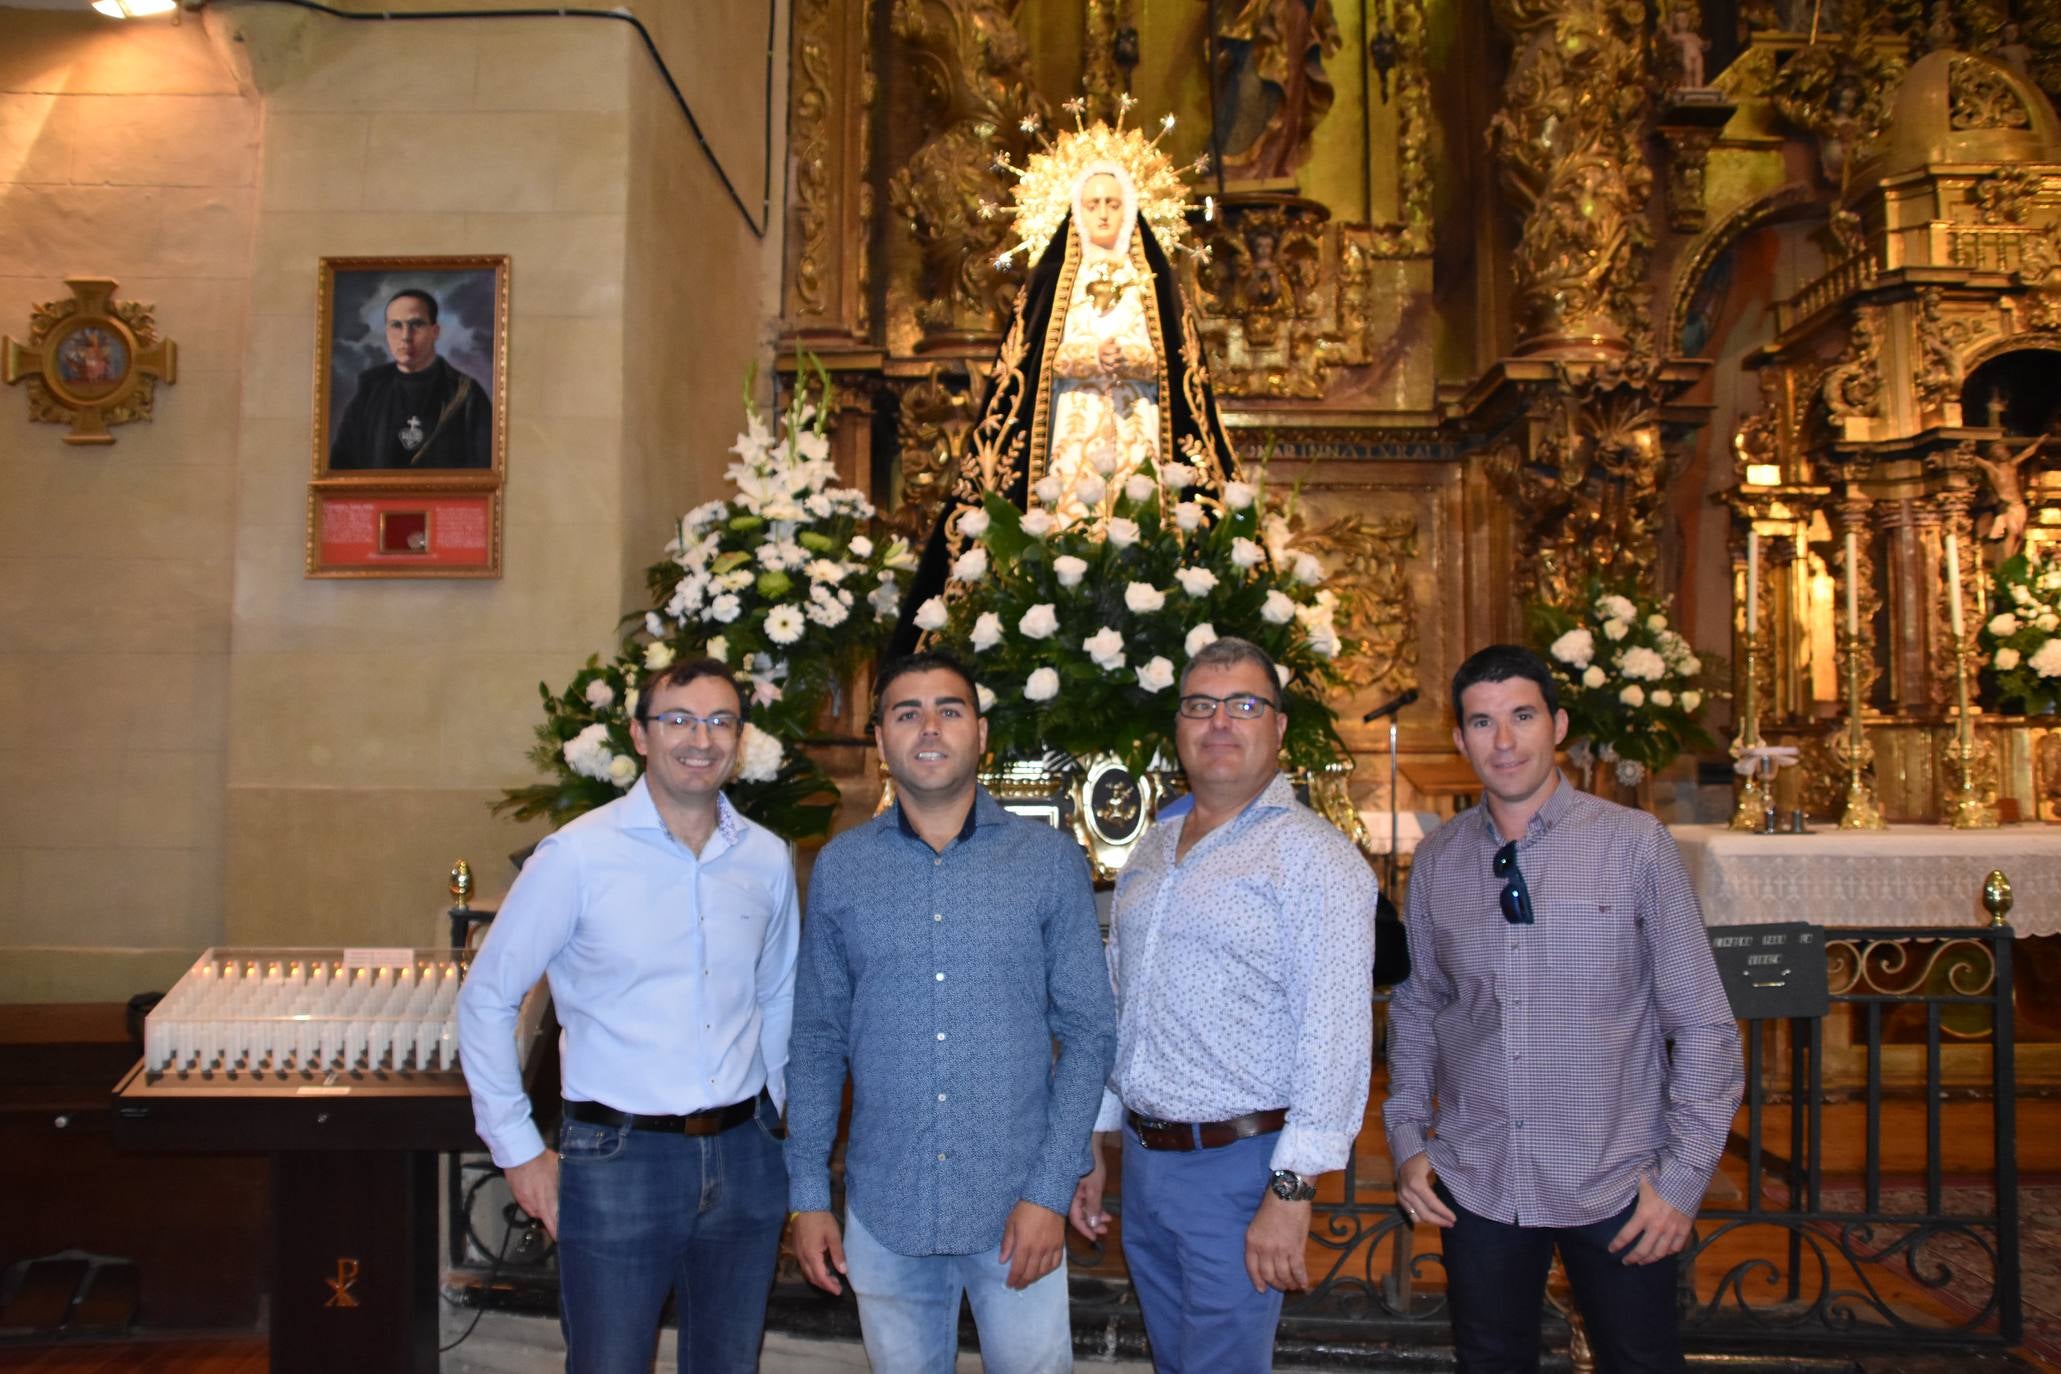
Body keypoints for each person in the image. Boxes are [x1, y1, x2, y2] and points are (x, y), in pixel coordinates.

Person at [1385, 644, 1742, 1373]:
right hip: (1477, 1177)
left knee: (1638, 1360)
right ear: (1459, 739)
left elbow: (1702, 1023)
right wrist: (1404, 1137)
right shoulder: (1439, 860)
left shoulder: (1633, 845)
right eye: (1482, 723)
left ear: (1558, 724)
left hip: (1615, 1177)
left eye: (1521, 717)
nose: (1504, 742)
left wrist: (1681, 1180)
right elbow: (1418, 1006)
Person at [456, 657, 798, 1373]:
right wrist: (517, 1149)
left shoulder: (765, 859)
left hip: (743, 1155)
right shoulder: (578, 856)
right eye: (677, 720)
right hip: (619, 1159)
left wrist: (775, 1114)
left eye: (718, 721)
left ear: (740, 739)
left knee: (729, 1363)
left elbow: (777, 994)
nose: (698, 739)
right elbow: (486, 999)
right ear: (640, 736)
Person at [786, 649, 1117, 1374]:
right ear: (880, 742)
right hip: (886, 1205)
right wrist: (807, 1194)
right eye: (906, 713)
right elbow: (815, 1039)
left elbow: (1089, 1032)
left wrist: (1048, 1190)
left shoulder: (1047, 861)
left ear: (980, 732)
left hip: (1017, 1207)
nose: (928, 727)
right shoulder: (842, 867)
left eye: (949, 709)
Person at [1070, 635, 1377, 1372]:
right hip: (1148, 1161)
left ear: (1277, 726)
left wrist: (1291, 1190)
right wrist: (1096, 1138)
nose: (1218, 723)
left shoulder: (1312, 856)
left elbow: (1334, 1033)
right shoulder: (1154, 843)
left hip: (1241, 1168)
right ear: (1177, 727)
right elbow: (1125, 997)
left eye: (1243, 705)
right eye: (1199, 706)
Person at [329, 287, 492, 469]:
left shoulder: (467, 395)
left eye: (417, 324)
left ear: (435, 331)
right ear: (387, 331)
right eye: (396, 325)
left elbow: (483, 474)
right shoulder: (370, 389)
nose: (406, 337)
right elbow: (341, 465)